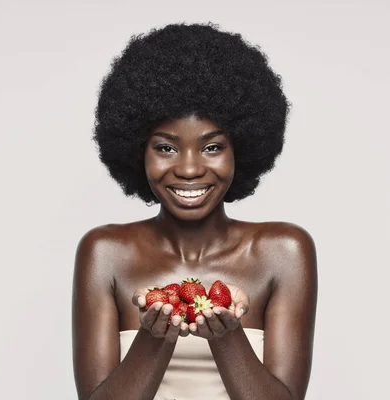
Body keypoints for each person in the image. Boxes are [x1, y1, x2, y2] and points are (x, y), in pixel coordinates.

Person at [72, 23, 317, 400]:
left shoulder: (284, 252)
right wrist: (154, 338)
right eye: (166, 148)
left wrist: (228, 336)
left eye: (212, 147)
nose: (188, 169)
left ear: (241, 149)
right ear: (139, 151)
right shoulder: (105, 252)